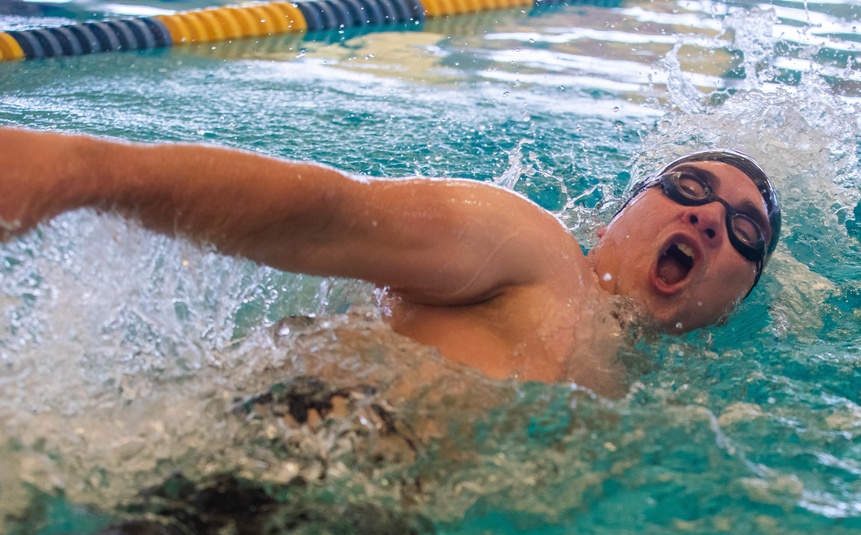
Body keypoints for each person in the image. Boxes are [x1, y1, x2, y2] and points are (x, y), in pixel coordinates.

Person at [0, 127, 780, 395]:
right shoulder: (533, 249)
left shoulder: (653, 386)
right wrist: (81, 171)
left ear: (737, 299)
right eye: (686, 186)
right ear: (619, 212)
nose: (708, 215)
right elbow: (334, 213)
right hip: (295, 449)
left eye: (744, 230)